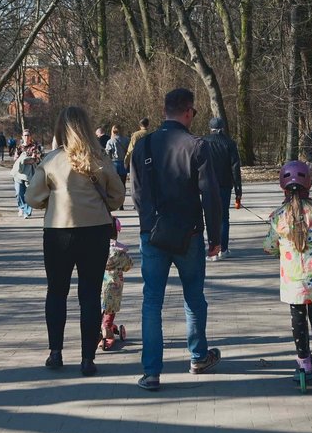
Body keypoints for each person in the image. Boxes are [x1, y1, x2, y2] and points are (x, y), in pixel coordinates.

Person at [129, 88, 223, 391]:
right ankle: (197, 357)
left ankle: (152, 372)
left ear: (164, 109)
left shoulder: (143, 146)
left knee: (151, 302)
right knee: (194, 298)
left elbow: (137, 192)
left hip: (153, 233)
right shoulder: (197, 146)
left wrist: (147, 224)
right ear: (187, 111)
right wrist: (216, 235)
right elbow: (210, 195)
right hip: (189, 233)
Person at [26, 106, 125, 376]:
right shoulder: (100, 158)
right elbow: (117, 196)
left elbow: (31, 198)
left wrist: (52, 200)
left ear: (61, 129)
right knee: (90, 295)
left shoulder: (51, 160)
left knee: (56, 292)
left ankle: (55, 352)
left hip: (59, 231)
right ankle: (87, 358)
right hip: (94, 231)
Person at [263, 160, 312, 381]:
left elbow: (269, 247)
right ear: (309, 183)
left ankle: (303, 361)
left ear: (282, 186)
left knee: (297, 318)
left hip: (293, 277)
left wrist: (279, 248)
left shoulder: (278, 216)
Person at [202, 117, 243, 261]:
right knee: (224, 217)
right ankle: (223, 249)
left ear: (210, 128)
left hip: (207, 185)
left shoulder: (203, 142)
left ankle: (213, 248)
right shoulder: (229, 143)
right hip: (225, 184)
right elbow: (235, 167)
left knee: (210, 217)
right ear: (223, 128)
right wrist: (238, 190)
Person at [100, 217, 133, 351]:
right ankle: (106, 330)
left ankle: (103, 326)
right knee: (110, 308)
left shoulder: (96, 248)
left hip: (98, 283)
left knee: (102, 307)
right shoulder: (119, 252)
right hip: (114, 285)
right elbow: (128, 265)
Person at [11, 129, 43, 218]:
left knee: (29, 193)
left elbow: (36, 159)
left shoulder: (34, 147)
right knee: (18, 193)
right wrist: (25, 159)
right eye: (25, 135)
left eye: (28, 135)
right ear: (22, 137)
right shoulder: (19, 147)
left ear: (30, 137)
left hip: (30, 173)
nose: (26, 137)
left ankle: (27, 212)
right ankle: (21, 207)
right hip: (19, 173)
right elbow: (15, 159)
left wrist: (24, 160)